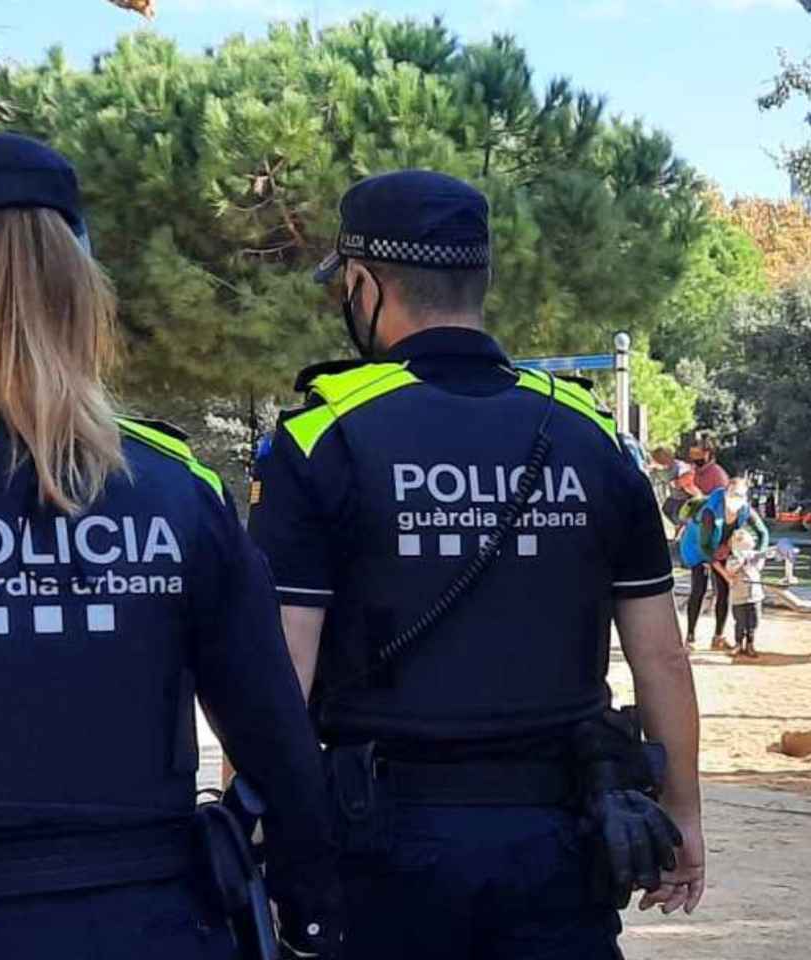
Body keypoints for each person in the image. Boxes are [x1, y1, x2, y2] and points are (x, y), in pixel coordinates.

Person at [0, 133, 338, 958]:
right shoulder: (180, 488)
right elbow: (275, 734)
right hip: (160, 923)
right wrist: (311, 899)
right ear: (79, 289)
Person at [248, 169, 704, 959]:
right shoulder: (591, 433)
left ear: (363, 284)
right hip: (563, 838)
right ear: (480, 280)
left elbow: (283, 665)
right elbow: (661, 652)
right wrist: (684, 814)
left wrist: (256, 827)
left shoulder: (322, 437)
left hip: (383, 845)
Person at [678, 476, 770, 650]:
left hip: (721, 547)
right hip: (697, 547)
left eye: (741, 495)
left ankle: (718, 637)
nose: (737, 499)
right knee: (699, 588)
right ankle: (690, 638)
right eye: (733, 494)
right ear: (726, 493)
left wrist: (758, 558)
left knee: (724, 591)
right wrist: (723, 571)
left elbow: (763, 533)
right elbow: (704, 546)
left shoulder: (744, 509)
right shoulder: (710, 512)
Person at [722, 528, 768, 659]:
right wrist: (740, 561)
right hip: (739, 597)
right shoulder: (732, 559)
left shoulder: (754, 558)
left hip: (754, 597)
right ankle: (738, 644)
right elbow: (730, 571)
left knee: (753, 622)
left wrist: (757, 557)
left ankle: (750, 644)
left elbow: (760, 564)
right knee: (740, 622)